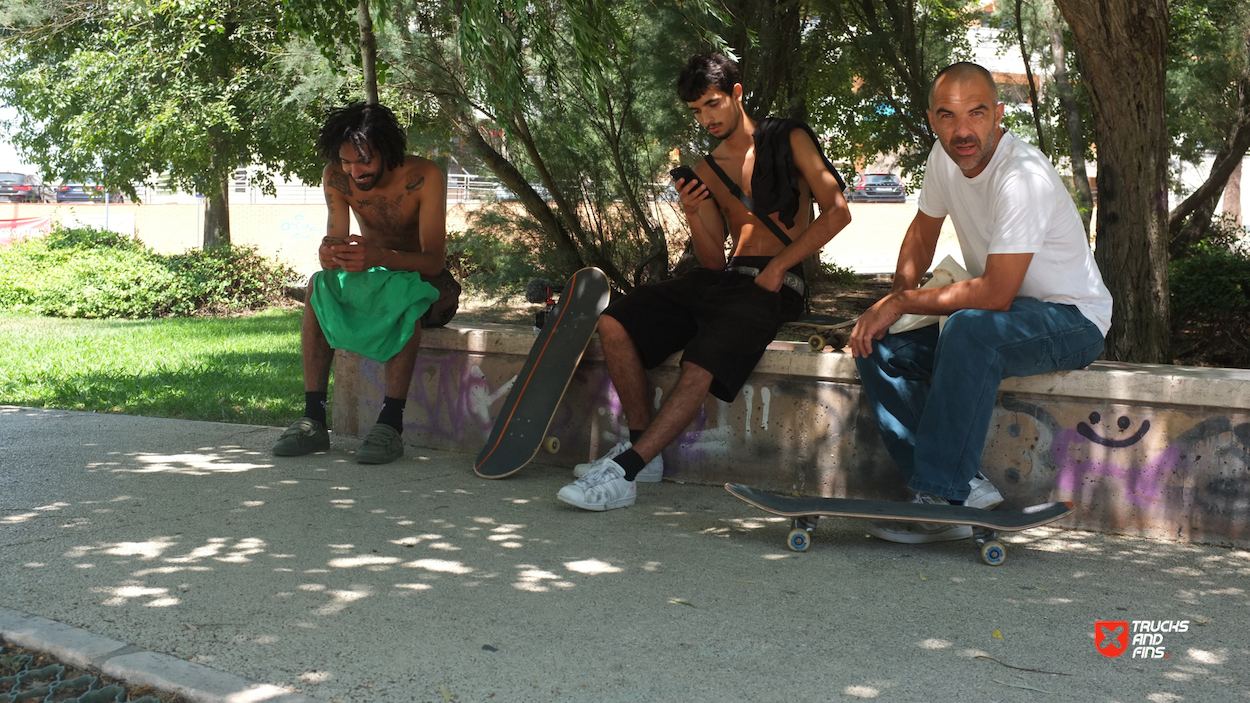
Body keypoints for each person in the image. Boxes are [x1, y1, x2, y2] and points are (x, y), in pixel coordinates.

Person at [556, 52, 852, 511]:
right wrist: (694, 212)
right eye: (696, 111)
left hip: (779, 284)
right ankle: (643, 447)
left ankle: (627, 473)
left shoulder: (787, 137)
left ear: (736, 94)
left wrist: (777, 267)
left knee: (701, 360)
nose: (706, 118)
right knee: (616, 322)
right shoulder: (708, 168)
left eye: (713, 104)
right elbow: (714, 260)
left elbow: (838, 211)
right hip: (728, 279)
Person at [849, 62, 1112, 543]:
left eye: (976, 113)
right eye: (948, 116)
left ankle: (943, 490)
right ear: (932, 119)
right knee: (879, 346)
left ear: (999, 115)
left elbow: (995, 292)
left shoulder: (1022, 176)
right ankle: (953, 492)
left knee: (969, 327)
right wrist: (895, 303)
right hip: (1002, 318)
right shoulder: (942, 157)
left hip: (1072, 319)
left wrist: (905, 300)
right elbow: (922, 232)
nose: (962, 130)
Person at [272, 102, 457, 464]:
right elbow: (336, 241)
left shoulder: (425, 176)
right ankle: (312, 418)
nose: (354, 171)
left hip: (423, 280)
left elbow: (434, 261)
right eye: (346, 162)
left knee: (405, 292)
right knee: (319, 284)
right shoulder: (336, 177)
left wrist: (381, 258)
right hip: (373, 276)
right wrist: (330, 254)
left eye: (364, 161)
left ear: (386, 150)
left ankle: (390, 424)